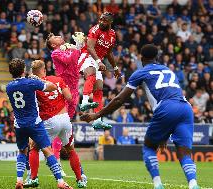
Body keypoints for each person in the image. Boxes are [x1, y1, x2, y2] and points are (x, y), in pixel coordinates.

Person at [81, 44, 200, 189]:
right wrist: (164, 132)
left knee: (149, 147)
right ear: (157, 57)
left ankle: (157, 184)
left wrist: (97, 115)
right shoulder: (168, 70)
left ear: (141, 58)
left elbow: (119, 99)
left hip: (166, 107)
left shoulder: (141, 73)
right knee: (185, 153)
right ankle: (193, 184)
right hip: (186, 108)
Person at [5, 58, 72, 189]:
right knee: (47, 151)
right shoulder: (31, 82)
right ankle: (60, 182)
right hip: (34, 123)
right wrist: (37, 79)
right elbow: (52, 87)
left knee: (22, 151)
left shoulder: (8, 87)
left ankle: (19, 180)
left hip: (19, 124)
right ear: (24, 70)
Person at [24, 60, 87, 188]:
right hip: (65, 118)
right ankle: (80, 180)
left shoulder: (33, 85)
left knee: (34, 147)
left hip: (49, 121)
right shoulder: (57, 79)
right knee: (70, 150)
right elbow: (69, 97)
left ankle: (33, 178)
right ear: (44, 70)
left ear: (33, 72)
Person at [79, 12, 120, 129]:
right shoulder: (95, 29)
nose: (102, 22)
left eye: (105, 20)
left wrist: (115, 67)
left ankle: (97, 120)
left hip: (98, 61)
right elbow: (90, 47)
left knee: (99, 87)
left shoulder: (112, 34)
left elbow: (109, 52)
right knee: (91, 74)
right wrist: (98, 61)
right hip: (87, 56)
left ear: (110, 22)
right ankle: (85, 102)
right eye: (101, 19)